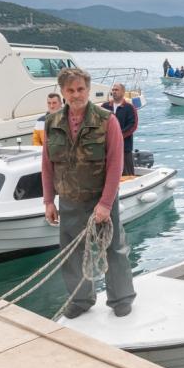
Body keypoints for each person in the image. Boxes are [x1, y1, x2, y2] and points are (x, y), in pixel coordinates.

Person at [42, 68, 136, 319]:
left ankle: (121, 298)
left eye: (81, 89)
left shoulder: (107, 120)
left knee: (113, 248)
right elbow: (47, 164)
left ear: (88, 89)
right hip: (69, 199)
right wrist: (49, 200)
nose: (76, 95)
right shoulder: (51, 122)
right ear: (62, 92)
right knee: (71, 254)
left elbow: (115, 164)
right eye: (70, 90)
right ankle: (80, 300)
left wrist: (106, 204)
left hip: (100, 198)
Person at [102, 83, 138, 177]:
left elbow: (132, 125)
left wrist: (118, 136)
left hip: (124, 147)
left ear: (123, 92)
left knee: (127, 173)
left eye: (116, 90)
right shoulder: (105, 107)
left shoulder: (129, 108)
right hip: (107, 147)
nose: (114, 92)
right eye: (113, 90)